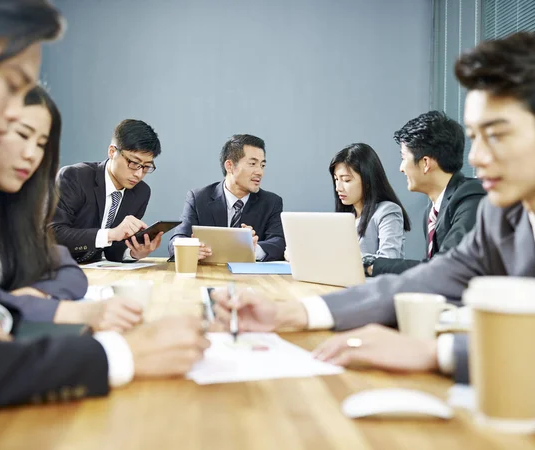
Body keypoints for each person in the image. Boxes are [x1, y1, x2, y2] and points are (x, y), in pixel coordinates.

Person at [212, 31, 535, 384]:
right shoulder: (501, 214)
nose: (476, 157)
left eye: (498, 135)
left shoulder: (476, 202)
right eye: (475, 137)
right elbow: (424, 281)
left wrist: (436, 354)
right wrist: (290, 313)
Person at [0, 0, 207, 415]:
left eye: (41, 143)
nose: (11, 113)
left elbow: (49, 269)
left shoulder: (16, 198)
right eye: (9, 83)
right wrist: (118, 354)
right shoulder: (71, 178)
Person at [0, 86, 142, 330]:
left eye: (42, 144)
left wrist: (26, 297)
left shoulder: (13, 207)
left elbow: (70, 272)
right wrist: (63, 310)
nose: (31, 154)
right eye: (23, 135)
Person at [367, 111, 485, 276]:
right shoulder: (431, 213)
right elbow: (431, 269)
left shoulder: (472, 199)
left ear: (425, 163)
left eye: (403, 158)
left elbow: (446, 267)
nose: (401, 168)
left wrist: (373, 265)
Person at [51, 119, 162, 264]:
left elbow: (113, 250)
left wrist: (134, 252)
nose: (139, 174)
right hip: (53, 267)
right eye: (134, 163)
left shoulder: (141, 192)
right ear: (112, 151)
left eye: (146, 167)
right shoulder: (75, 177)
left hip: (95, 270)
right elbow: (53, 233)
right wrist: (111, 234)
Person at [169, 134, 285, 261]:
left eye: (262, 165)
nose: (260, 172)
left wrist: (254, 249)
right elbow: (176, 240)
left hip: (250, 279)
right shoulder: (198, 198)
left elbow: (278, 243)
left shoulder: (271, 202)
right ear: (229, 166)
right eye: (252, 164)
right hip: (207, 275)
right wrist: (190, 248)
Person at [329, 143, 411, 271]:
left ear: (367, 181)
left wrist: (345, 258)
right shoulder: (346, 216)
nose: (338, 188)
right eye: (336, 179)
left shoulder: (388, 211)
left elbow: (389, 260)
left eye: (346, 180)